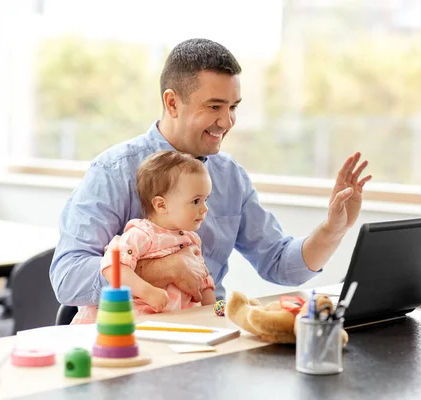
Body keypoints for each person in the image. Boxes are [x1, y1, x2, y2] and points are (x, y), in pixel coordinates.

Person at [50, 38, 371, 308]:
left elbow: (279, 263)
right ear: (172, 103)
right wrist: (164, 269)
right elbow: (68, 277)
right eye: (215, 107)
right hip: (130, 340)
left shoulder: (230, 177)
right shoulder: (114, 172)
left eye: (233, 107)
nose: (228, 121)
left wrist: (332, 229)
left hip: (207, 335)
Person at [70, 151, 216, 324]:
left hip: (173, 325)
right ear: (161, 205)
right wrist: (147, 291)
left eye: (206, 199)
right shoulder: (141, 234)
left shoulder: (191, 240)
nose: (204, 208)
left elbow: (203, 283)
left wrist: (219, 312)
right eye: (196, 201)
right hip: (131, 324)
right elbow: (113, 267)